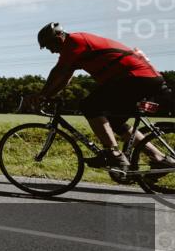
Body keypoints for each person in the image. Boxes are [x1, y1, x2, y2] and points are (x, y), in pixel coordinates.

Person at [31, 23, 175, 170]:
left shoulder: (74, 41)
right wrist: (47, 96)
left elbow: (58, 71)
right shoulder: (73, 49)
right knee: (115, 122)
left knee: (89, 105)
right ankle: (159, 158)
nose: (51, 51)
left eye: (50, 47)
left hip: (134, 77)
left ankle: (113, 153)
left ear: (58, 39)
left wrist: (41, 95)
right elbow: (65, 77)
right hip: (141, 78)